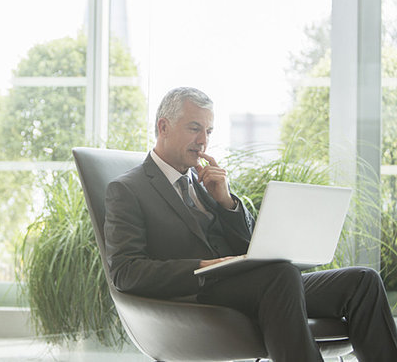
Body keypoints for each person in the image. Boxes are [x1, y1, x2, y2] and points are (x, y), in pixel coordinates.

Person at [103, 86, 397, 362]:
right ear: (163, 127)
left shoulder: (208, 182)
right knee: (281, 276)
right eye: (194, 128)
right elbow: (126, 272)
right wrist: (202, 265)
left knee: (363, 280)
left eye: (208, 131)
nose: (203, 140)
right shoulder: (128, 189)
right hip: (199, 292)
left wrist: (227, 202)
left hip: (258, 285)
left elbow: (249, 247)